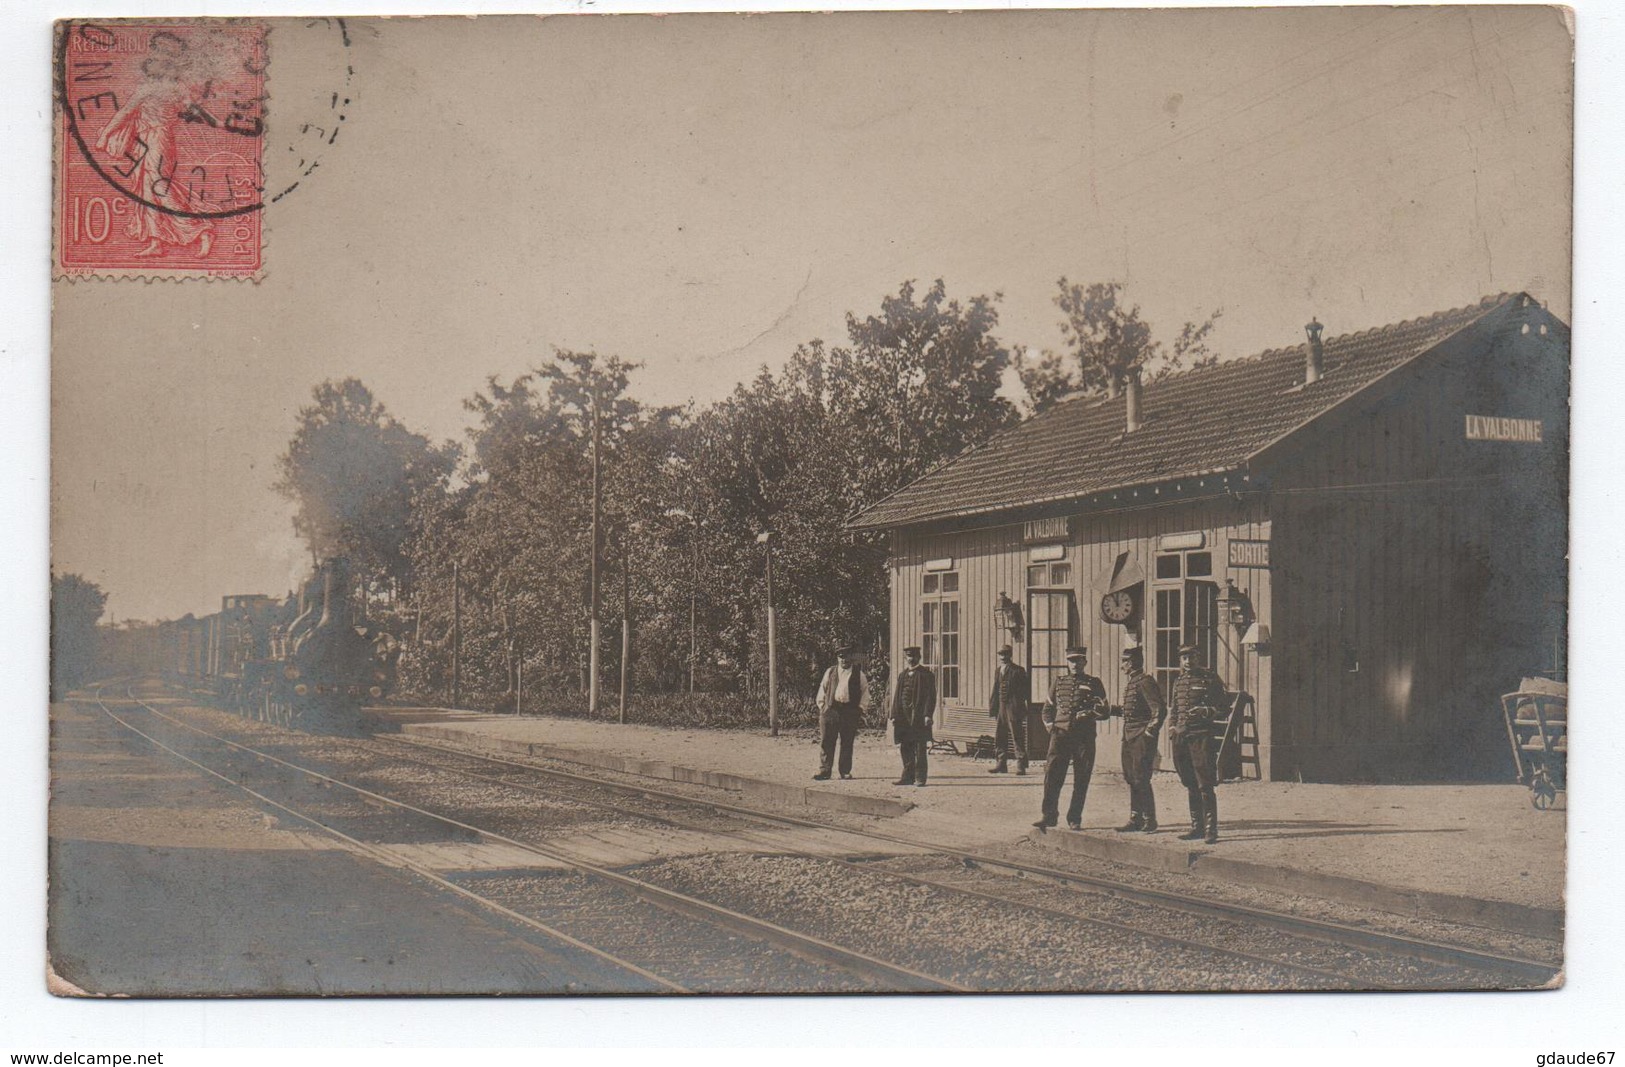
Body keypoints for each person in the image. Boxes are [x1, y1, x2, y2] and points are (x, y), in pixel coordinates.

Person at [1034, 645, 1109, 831]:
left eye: (1078, 660)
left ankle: (1075, 818)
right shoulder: (1058, 682)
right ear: (1067, 662)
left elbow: (1105, 711)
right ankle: (1049, 816)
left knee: (1082, 777)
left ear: (1085, 662)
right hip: (1060, 736)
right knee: (1052, 775)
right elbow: (1047, 709)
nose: (1074, 664)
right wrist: (1052, 728)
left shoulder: (1094, 683)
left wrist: (1089, 714)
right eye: (1071, 660)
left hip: (1084, 737)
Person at [1168, 642, 1227, 843]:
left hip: (1202, 735)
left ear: (1198, 657)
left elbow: (1224, 707)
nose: (1188, 660)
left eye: (1191, 656)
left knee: (1204, 783)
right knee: (1189, 782)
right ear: (1180, 660)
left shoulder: (1209, 679)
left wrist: (1206, 711)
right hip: (1181, 737)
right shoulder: (1179, 681)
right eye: (1184, 657)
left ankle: (1211, 829)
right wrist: (1172, 728)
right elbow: (1174, 708)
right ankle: (1197, 827)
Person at [1116, 646, 1167, 833]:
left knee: (1141, 777)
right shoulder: (1132, 682)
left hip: (1141, 737)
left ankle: (1149, 819)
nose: (1122, 666)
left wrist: (1149, 733)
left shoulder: (1145, 682)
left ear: (1132, 663)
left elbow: (1159, 710)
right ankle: (1135, 818)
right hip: (1128, 736)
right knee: (1131, 777)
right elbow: (1130, 711)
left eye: (1124, 661)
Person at [814, 644, 870, 781]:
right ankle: (825, 771)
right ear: (838, 658)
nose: (844, 660)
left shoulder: (859, 674)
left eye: (847, 657)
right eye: (841, 657)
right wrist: (823, 707)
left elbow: (865, 692)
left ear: (851, 658)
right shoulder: (830, 672)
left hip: (849, 712)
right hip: (831, 710)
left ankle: (844, 771)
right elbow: (823, 688)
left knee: (847, 742)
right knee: (827, 741)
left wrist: (861, 709)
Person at [885, 644, 937, 786]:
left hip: (919, 717)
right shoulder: (902, 675)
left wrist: (928, 715)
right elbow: (897, 696)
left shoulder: (926, 675)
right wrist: (894, 714)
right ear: (905, 658)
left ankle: (920, 778)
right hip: (903, 717)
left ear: (919, 657)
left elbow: (930, 698)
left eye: (914, 656)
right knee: (905, 747)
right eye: (908, 656)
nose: (911, 659)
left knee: (920, 748)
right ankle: (907, 777)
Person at [987, 644, 1031, 774]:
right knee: (1000, 736)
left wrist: (1020, 707)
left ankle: (1021, 765)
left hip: (1014, 707)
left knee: (1017, 736)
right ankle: (1001, 763)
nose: (1002, 657)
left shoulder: (1018, 670)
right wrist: (993, 708)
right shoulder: (998, 670)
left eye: (1005, 654)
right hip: (1001, 707)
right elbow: (995, 690)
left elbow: (1025, 690)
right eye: (1000, 654)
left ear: (1010, 655)